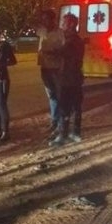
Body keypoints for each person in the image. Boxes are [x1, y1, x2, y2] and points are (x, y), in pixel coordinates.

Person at [50, 13, 85, 146]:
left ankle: (64, 135)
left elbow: (60, 52)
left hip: (69, 78)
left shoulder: (72, 41)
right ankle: (74, 132)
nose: (62, 26)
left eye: (64, 23)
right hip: (72, 77)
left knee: (66, 107)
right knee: (74, 106)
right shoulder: (74, 39)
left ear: (71, 25)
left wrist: (48, 50)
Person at [37, 9, 65, 134]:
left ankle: (61, 123)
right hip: (45, 67)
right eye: (43, 19)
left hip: (56, 68)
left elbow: (63, 51)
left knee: (59, 96)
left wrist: (52, 52)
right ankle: (54, 121)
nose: (44, 21)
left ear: (53, 19)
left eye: (46, 19)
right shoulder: (42, 32)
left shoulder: (59, 33)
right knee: (51, 96)